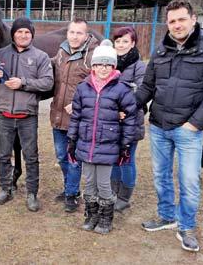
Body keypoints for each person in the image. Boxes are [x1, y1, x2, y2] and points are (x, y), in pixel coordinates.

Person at [136, 0, 203, 252]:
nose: (176, 25)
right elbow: (147, 86)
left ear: (193, 19)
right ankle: (167, 216)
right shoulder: (161, 50)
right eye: (172, 21)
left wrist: (195, 123)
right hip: (158, 126)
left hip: (188, 130)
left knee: (189, 180)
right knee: (160, 175)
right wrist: (129, 105)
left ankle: (186, 226)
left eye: (181, 19)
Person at [67, 39, 137, 234]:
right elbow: (76, 117)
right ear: (93, 66)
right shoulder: (83, 88)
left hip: (108, 145)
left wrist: (125, 145)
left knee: (104, 184)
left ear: (113, 66)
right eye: (99, 64)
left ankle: (106, 218)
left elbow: (130, 118)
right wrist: (72, 140)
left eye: (108, 64)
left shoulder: (121, 89)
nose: (103, 68)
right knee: (89, 182)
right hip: (86, 144)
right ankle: (92, 215)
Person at [0, 17, 54, 212]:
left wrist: (23, 83)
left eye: (27, 32)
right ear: (13, 34)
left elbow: (48, 82)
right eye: (19, 32)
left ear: (31, 35)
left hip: (27, 115)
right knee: (3, 155)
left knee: (31, 156)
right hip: (4, 114)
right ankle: (5, 189)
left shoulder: (41, 56)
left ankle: (32, 193)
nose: (23, 35)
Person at [50, 17, 99, 213]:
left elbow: (98, 86)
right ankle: (69, 187)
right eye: (72, 32)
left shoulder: (93, 57)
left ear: (86, 35)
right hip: (58, 115)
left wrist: (79, 104)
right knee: (61, 156)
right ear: (67, 33)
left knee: (73, 158)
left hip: (79, 119)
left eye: (79, 33)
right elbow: (48, 68)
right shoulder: (61, 52)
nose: (75, 36)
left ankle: (71, 194)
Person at [110, 26, 146, 213]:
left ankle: (124, 197)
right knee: (114, 158)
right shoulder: (109, 63)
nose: (121, 45)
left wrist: (121, 107)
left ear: (132, 43)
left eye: (125, 41)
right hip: (111, 121)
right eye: (118, 41)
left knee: (127, 159)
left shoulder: (139, 66)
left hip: (130, 122)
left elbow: (141, 92)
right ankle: (113, 191)